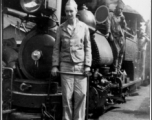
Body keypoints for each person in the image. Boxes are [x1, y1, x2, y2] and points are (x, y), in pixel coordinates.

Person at [51, 0, 92, 120]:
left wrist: (87, 65)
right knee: (67, 98)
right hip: (66, 67)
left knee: (81, 96)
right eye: (66, 11)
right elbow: (56, 48)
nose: (69, 13)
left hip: (80, 67)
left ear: (76, 11)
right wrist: (55, 65)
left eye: (71, 11)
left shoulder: (84, 27)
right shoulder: (60, 28)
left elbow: (88, 47)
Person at [107, 2, 127, 73]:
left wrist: (123, 21)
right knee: (116, 53)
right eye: (119, 9)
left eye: (121, 9)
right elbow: (108, 24)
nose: (120, 10)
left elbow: (124, 27)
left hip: (121, 37)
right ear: (116, 8)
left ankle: (119, 69)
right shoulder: (111, 15)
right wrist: (110, 34)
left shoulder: (122, 16)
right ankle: (115, 69)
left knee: (121, 54)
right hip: (114, 36)